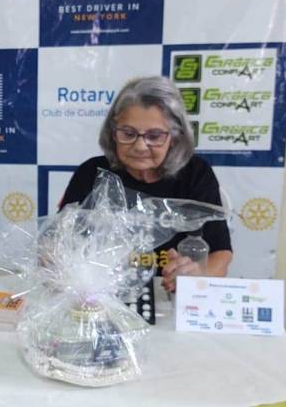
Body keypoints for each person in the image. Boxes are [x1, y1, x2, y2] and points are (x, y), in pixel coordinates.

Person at [60, 76, 232, 291]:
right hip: (102, 294)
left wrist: (197, 277)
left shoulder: (196, 173)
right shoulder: (92, 173)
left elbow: (221, 253)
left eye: (155, 136)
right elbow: (58, 242)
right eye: (128, 133)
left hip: (172, 293)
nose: (140, 146)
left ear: (175, 137)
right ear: (113, 133)